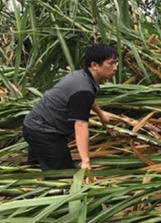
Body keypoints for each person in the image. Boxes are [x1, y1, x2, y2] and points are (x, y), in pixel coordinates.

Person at [22, 44, 118, 178]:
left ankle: (33, 186)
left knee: (36, 169)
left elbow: (88, 98)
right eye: (111, 63)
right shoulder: (83, 89)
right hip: (43, 132)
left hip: (36, 124)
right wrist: (86, 162)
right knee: (64, 176)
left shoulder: (84, 77)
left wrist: (101, 114)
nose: (115, 68)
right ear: (95, 65)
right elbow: (80, 125)